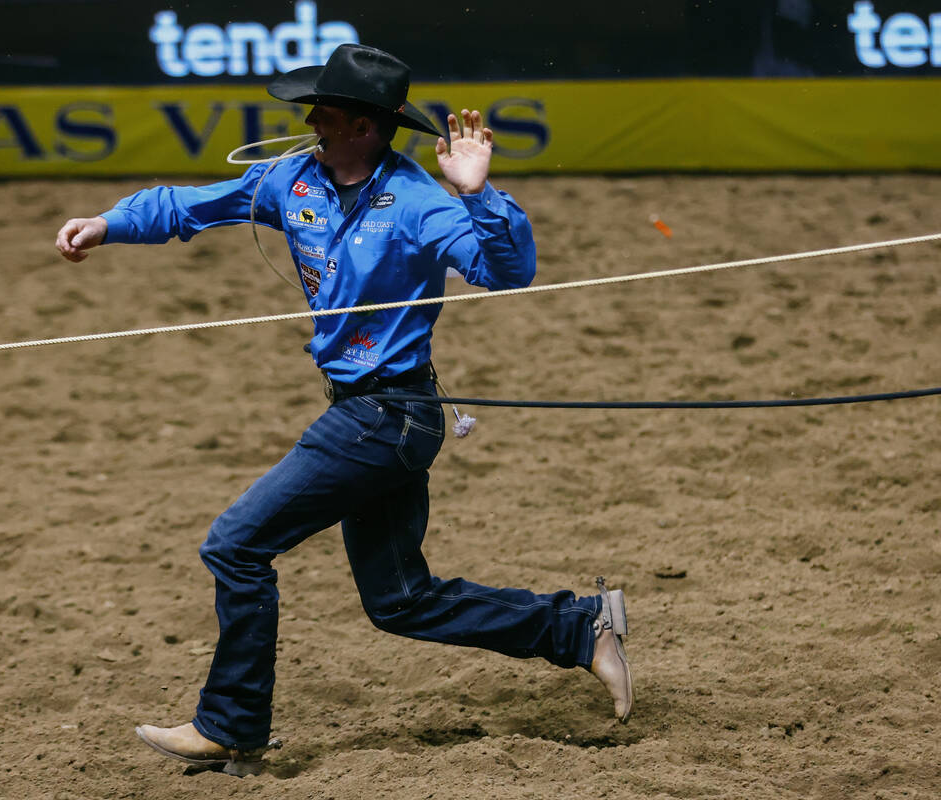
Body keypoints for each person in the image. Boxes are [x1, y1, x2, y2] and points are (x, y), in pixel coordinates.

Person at [55, 43, 633, 777]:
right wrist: (108, 223)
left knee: (235, 545)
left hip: (387, 417)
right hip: (376, 416)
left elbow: (506, 272)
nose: (309, 119)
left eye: (324, 110)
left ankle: (229, 727)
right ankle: (578, 627)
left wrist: (478, 195)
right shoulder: (292, 179)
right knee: (400, 601)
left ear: (364, 125)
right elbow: (188, 206)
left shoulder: (420, 200)